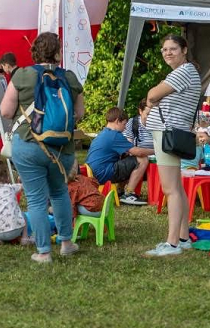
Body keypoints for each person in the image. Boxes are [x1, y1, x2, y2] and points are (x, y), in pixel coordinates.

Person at [0, 32, 84, 264]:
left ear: (34, 51)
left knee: (36, 199)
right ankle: (66, 243)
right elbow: (80, 113)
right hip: (62, 149)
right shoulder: (69, 77)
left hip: (28, 144)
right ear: (58, 53)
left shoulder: (22, 75)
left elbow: (6, 112)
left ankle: (44, 251)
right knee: (59, 193)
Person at [140, 34, 202, 257]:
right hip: (170, 133)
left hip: (168, 134)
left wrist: (152, 98)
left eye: (173, 48)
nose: (168, 52)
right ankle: (183, 238)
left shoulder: (183, 72)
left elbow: (153, 94)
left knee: (171, 190)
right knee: (177, 188)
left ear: (184, 50)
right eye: (164, 49)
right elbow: (155, 96)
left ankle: (172, 243)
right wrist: (152, 100)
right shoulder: (182, 72)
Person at [85, 107, 138, 195]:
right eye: (124, 124)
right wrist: (155, 150)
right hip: (103, 174)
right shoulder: (115, 135)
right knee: (141, 160)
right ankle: (129, 194)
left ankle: (120, 191)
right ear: (117, 121)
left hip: (93, 173)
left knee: (126, 158)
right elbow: (137, 152)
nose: (125, 128)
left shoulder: (103, 133)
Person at [0, 157, 31, 245]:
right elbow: (24, 186)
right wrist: (20, 180)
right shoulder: (11, 188)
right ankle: (24, 238)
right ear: (7, 178)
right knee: (23, 215)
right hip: (15, 230)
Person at [121, 99, 154, 206]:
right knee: (141, 159)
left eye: (154, 114)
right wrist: (155, 152)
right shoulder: (133, 123)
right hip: (138, 157)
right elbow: (129, 148)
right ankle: (128, 192)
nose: (151, 118)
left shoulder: (159, 124)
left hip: (156, 160)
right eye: (148, 114)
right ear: (140, 111)